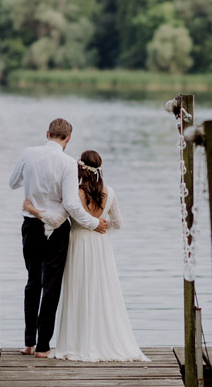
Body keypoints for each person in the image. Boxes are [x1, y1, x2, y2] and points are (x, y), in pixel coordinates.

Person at [23, 150, 148, 362]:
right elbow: (117, 224)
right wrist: (101, 223)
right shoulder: (110, 193)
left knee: (78, 293)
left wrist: (33, 210)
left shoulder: (75, 195)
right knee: (100, 292)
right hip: (100, 247)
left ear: (79, 168)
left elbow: (55, 220)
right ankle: (100, 340)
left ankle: (77, 342)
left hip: (78, 245)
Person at [9, 118, 106, 358]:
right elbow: (72, 204)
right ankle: (43, 347)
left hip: (31, 225)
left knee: (33, 281)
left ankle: (28, 343)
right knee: (51, 286)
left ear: (47, 133)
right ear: (68, 138)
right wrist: (94, 223)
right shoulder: (68, 164)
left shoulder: (28, 154)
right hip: (57, 231)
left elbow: (13, 183)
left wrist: (32, 181)